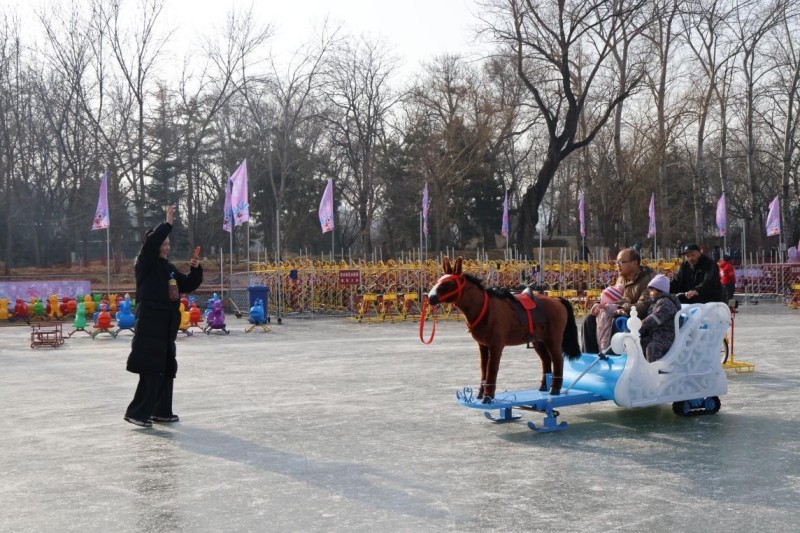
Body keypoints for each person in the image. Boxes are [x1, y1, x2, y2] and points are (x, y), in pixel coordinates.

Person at [124, 206, 203, 427]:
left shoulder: (166, 267)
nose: (166, 246)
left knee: (166, 369)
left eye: (168, 243)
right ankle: (137, 413)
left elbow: (186, 284)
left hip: (166, 327)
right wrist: (167, 223)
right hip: (150, 324)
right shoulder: (145, 262)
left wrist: (196, 269)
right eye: (163, 243)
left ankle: (161, 412)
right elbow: (150, 244)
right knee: (150, 369)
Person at [581, 248, 655, 353]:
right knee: (588, 320)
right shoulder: (621, 278)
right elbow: (611, 296)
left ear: (634, 263)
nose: (618, 265)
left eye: (622, 262)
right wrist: (599, 304)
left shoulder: (649, 280)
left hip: (637, 319)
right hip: (617, 312)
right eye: (617, 262)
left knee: (616, 320)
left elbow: (643, 306)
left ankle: (611, 358)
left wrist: (620, 308)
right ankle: (590, 357)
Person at [639, 274, 682, 362]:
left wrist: (640, 325)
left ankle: (655, 371)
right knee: (639, 342)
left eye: (652, 290)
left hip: (666, 335)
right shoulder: (655, 303)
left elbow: (654, 319)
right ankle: (641, 367)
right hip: (656, 334)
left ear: (660, 291)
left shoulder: (666, 303)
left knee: (653, 347)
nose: (650, 293)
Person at [591, 285, 624, 354]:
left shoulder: (611, 306)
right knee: (599, 340)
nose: (601, 299)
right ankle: (600, 351)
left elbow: (613, 309)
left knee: (605, 341)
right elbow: (593, 313)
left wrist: (618, 311)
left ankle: (604, 353)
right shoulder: (601, 308)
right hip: (600, 328)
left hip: (606, 327)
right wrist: (595, 306)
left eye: (603, 297)